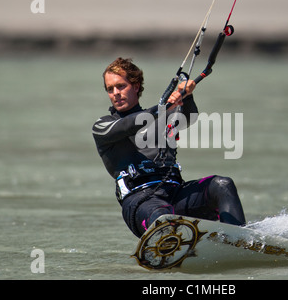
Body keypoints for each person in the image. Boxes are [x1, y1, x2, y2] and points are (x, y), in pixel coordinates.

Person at [92, 57, 246, 238]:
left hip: (176, 193)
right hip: (141, 202)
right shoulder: (103, 126)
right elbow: (128, 124)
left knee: (222, 185)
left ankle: (240, 241)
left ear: (135, 86)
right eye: (110, 89)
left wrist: (185, 95)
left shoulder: (163, 117)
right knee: (163, 216)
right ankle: (171, 243)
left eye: (120, 86)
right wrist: (162, 109)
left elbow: (189, 116)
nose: (115, 93)